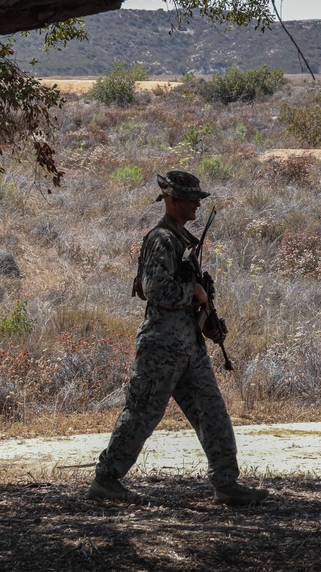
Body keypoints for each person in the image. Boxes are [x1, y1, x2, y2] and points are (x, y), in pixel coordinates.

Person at [88, 171, 268, 506]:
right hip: (161, 347)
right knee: (142, 413)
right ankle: (106, 479)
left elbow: (191, 295)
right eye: (190, 198)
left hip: (188, 347)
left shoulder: (182, 240)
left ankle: (227, 484)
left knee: (212, 412)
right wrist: (194, 292)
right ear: (171, 200)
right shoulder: (162, 239)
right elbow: (156, 290)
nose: (198, 204)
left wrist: (209, 323)